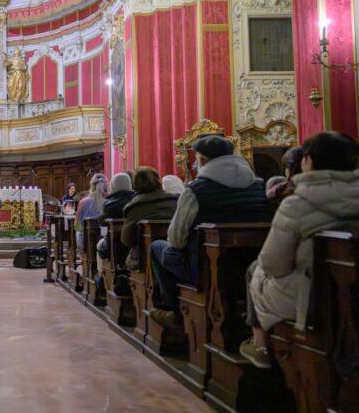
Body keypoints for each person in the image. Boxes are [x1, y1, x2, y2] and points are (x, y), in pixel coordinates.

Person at [241, 132, 359, 368]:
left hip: (312, 296)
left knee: (256, 269)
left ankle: (260, 344)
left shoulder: (297, 204)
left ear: (309, 162)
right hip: (353, 294)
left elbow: (273, 264)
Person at [148, 136, 274, 329]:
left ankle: (172, 311)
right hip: (252, 264)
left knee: (158, 248)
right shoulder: (258, 185)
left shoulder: (195, 189)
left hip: (206, 266)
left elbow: (176, 239)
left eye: (197, 158)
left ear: (203, 160)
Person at [120, 167, 179, 269]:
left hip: (145, 259)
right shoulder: (176, 200)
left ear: (136, 185)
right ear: (158, 181)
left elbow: (127, 240)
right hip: (176, 253)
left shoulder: (134, 206)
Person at [75, 173, 108, 252]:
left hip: (87, 245)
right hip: (107, 245)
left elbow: (77, 226)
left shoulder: (83, 202)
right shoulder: (110, 202)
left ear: (91, 185)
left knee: (79, 231)